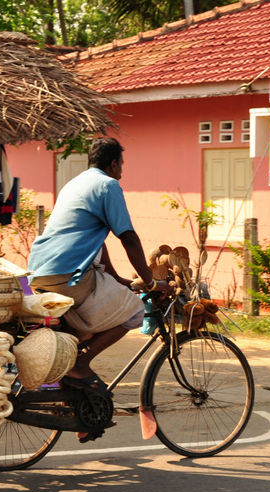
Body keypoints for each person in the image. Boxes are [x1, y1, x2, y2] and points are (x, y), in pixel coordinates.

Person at [27, 137, 170, 393]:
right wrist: (150, 282)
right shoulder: (108, 185)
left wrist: (117, 279)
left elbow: (94, 240)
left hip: (40, 271)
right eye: (121, 166)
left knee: (86, 328)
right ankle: (80, 364)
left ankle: (72, 395)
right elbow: (128, 238)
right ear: (113, 164)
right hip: (68, 274)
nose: (122, 172)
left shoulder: (73, 184)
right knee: (134, 311)